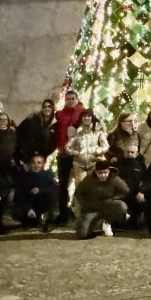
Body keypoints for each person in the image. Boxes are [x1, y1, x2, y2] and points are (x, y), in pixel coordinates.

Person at [73, 159, 129, 239]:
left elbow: (125, 191)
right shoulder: (89, 180)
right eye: (100, 173)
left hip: (108, 206)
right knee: (82, 234)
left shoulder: (114, 179)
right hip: (92, 208)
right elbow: (78, 193)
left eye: (105, 172)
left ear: (109, 171)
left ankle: (108, 222)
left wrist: (113, 198)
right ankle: (97, 226)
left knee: (121, 206)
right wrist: (86, 204)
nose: (103, 175)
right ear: (96, 172)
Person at [54, 90, 85, 224]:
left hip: (79, 156)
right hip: (63, 155)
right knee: (63, 186)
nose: (70, 101)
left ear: (77, 99)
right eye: (68, 99)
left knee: (81, 185)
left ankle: (81, 214)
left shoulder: (84, 113)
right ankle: (63, 214)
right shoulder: (60, 115)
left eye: (73, 98)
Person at [13, 152, 58, 231]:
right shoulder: (24, 177)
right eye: (33, 162)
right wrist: (28, 209)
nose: (36, 165)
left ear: (43, 164)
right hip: (29, 208)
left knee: (52, 195)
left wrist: (40, 190)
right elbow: (19, 195)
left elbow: (55, 189)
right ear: (30, 164)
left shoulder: (48, 175)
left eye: (39, 163)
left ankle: (45, 219)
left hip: (43, 206)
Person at [66, 109, 109, 185]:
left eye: (88, 116)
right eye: (84, 116)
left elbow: (106, 146)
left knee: (94, 186)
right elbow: (67, 147)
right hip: (79, 164)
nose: (86, 118)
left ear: (92, 118)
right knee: (81, 187)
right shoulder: (77, 133)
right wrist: (76, 153)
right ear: (81, 118)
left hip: (94, 163)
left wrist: (97, 151)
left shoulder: (98, 132)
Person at [16, 99, 58, 167]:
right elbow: (19, 131)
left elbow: (54, 143)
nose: (47, 108)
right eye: (45, 107)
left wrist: (45, 154)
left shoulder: (55, 125)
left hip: (41, 160)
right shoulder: (33, 119)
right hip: (27, 157)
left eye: (49, 106)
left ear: (53, 108)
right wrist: (22, 148)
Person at [116, 141, 147, 229]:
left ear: (136, 153)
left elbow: (146, 181)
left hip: (136, 194)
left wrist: (142, 191)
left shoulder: (141, 166)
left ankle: (136, 222)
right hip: (121, 195)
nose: (129, 154)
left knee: (144, 201)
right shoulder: (117, 165)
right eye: (127, 152)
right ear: (124, 152)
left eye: (132, 152)